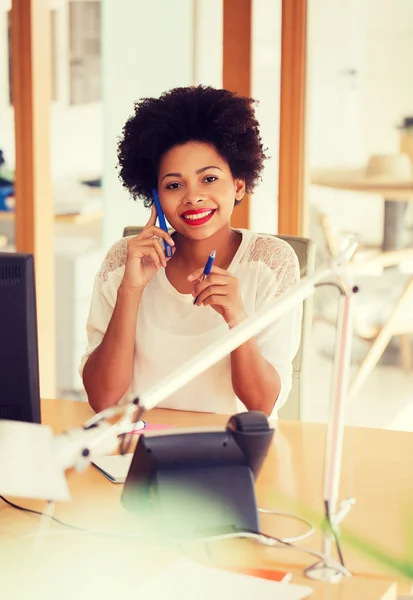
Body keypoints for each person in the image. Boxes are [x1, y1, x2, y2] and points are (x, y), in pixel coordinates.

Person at [80, 85, 302, 417]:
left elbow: (261, 404)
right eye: (174, 185)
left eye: (209, 179)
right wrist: (131, 290)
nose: (192, 197)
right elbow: (103, 399)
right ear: (154, 196)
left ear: (238, 184)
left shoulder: (270, 263)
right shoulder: (123, 262)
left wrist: (237, 319)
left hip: (229, 454)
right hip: (137, 450)